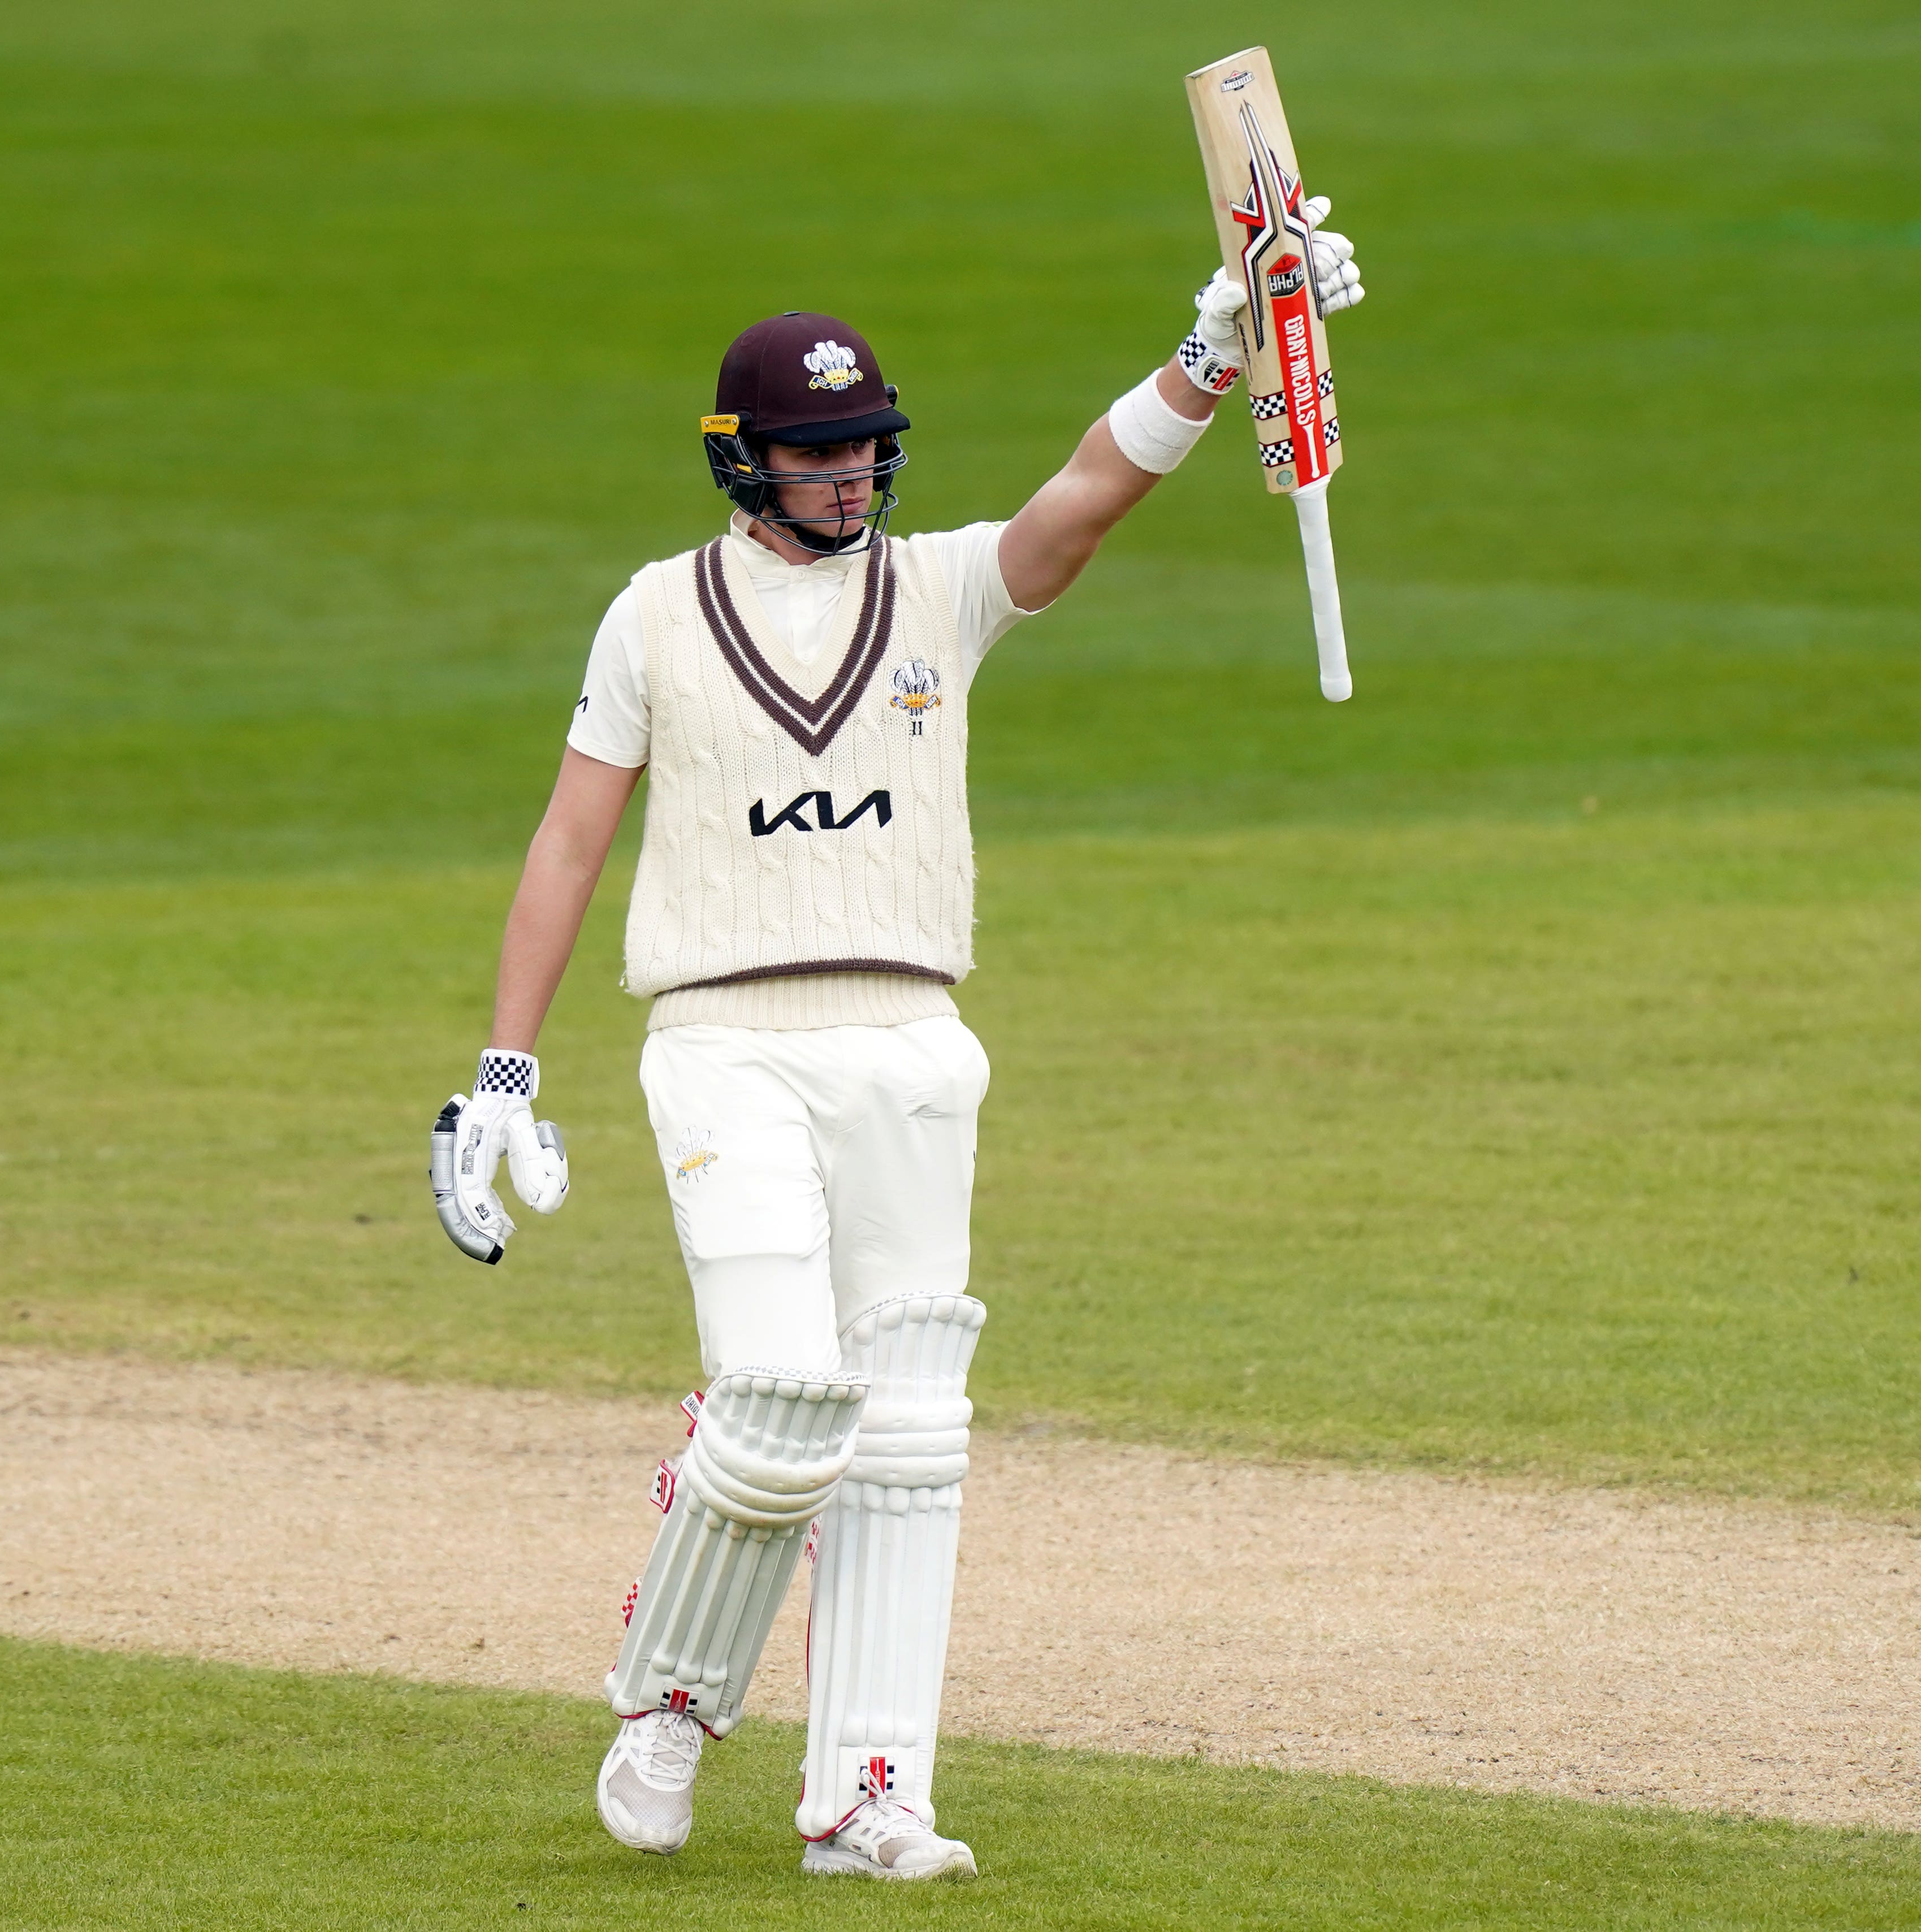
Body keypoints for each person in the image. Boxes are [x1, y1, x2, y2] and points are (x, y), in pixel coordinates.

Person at [427, 213, 1364, 1881]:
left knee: (911, 1430)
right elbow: (568, 845)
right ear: (745, 459)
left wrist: (1217, 348)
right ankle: (671, 1696)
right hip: (723, 1042)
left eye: (869, 447)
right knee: (784, 1397)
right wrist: (502, 1070)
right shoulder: (652, 616)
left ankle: (872, 1796)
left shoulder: (936, 590)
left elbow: (1081, 504)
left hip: (913, 1039)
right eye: (819, 452)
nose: (853, 477)